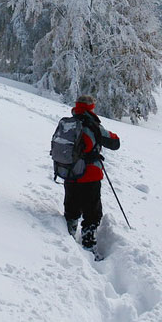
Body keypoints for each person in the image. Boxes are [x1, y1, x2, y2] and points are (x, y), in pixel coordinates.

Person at [63, 94, 120, 254]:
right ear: (90, 106)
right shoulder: (92, 125)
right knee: (92, 212)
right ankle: (88, 244)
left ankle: (68, 235)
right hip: (90, 175)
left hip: (70, 172)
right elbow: (115, 143)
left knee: (71, 207)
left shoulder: (69, 123)